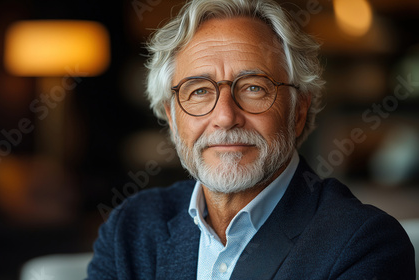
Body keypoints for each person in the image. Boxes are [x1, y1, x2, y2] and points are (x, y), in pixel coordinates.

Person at [87, 0, 416, 279]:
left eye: (254, 88)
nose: (226, 116)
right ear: (172, 118)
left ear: (298, 110)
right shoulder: (129, 230)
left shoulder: (363, 244)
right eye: (199, 91)